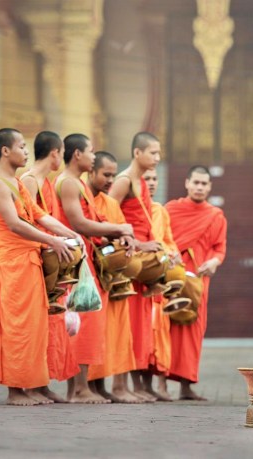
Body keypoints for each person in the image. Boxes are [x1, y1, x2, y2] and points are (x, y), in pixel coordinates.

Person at [0, 128, 77, 406]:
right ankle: (15, 390)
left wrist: (70, 236)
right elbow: (14, 223)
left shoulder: (17, 182)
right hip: (13, 265)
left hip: (30, 261)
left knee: (36, 327)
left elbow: (39, 215)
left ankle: (35, 385)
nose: (26, 151)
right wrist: (51, 241)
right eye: (22, 146)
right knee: (17, 326)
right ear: (5, 151)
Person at [53, 133, 134, 404]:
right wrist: (118, 228)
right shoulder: (67, 183)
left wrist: (115, 236)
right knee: (80, 323)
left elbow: (92, 223)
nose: (92, 156)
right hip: (75, 265)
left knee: (86, 324)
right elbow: (79, 223)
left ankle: (79, 388)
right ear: (77, 154)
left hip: (86, 261)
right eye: (90, 151)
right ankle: (78, 389)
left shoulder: (78, 184)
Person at [19, 130, 81, 403]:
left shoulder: (46, 182)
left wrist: (70, 237)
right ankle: (29, 385)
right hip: (33, 260)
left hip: (49, 259)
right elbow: (27, 222)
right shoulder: (30, 181)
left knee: (51, 327)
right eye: (61, 153)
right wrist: (53, 242)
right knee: (34, 327)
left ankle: (42, 383)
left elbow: (46, 218)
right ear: (56, 152)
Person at [86, 151, 144, 404]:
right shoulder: (83, 197)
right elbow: (82, 227)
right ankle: (93, 386)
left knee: (120, 332)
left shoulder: (109, 203)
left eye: (113, 174)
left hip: (115, 277)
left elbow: (122, 228)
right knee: (94, 331)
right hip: (92, 273)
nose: (111, 179)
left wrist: (127, 241)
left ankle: (116, 386)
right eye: (106, 174)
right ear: (91, 171)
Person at [109, 132, 163, 402]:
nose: (157, 158)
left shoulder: (140, 182)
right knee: (123, 326)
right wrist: (139, 246)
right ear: (137, 153)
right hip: (127, 261)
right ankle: (118, 386)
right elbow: (107, 217)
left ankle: (127, 385)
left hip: (141, 266)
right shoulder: (123, 181)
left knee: (137, 328)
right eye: (153, 152)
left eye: (158, 153)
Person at [165, 166, 227, 401]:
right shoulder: (171, 209)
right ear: (187, 183)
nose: (200, 187)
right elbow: (161, 238)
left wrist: (214, 262)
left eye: (204, 184)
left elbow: (220, 248)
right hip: (173, 277)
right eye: (196, 183)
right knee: (167, 326)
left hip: (199, 280)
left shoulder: (215, 215)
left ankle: (186, 385)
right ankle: (160, 384)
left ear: (210, 187)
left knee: (194, 330)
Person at [142, 168, 181, 401]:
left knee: (162, 334)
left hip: (161, 280)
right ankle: (143, 385)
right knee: (144, 334)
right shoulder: (132, 207)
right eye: (147, 179)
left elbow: (168, 240)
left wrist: (173, 253)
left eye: (155, 178)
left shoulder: (160, 211)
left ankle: (162, 385)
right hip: (143, 278)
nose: (152, 183)